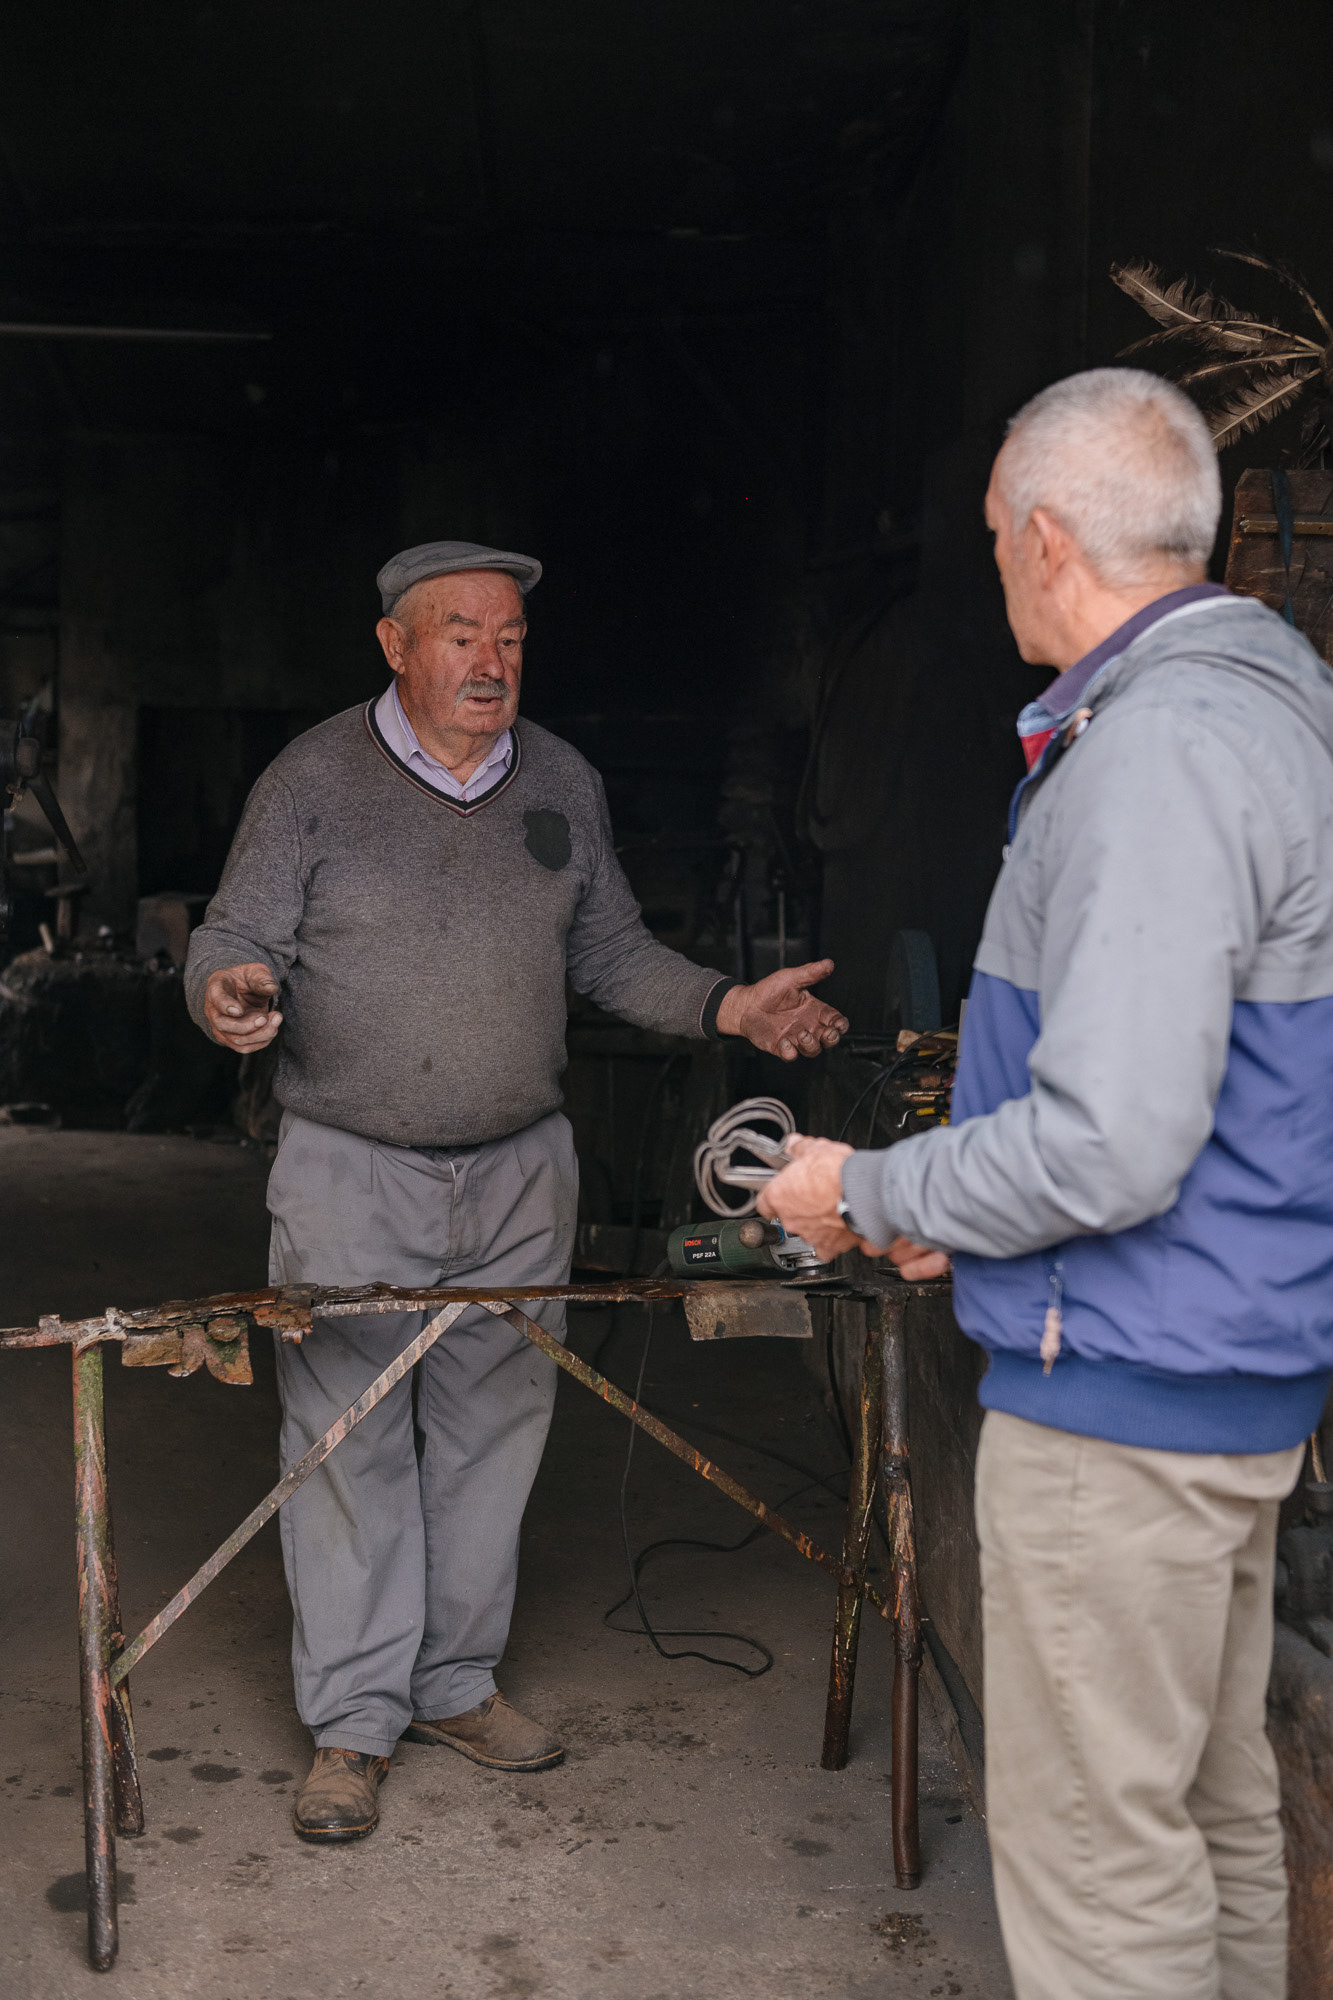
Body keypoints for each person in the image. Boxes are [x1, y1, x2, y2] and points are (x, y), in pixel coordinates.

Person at [758, 369, 1333, 2000]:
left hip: (1123, 1399)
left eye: (995, 530)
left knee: (1099, 1876)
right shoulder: (1277, 708)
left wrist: (875, 1186)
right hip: (1220, 1367)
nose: (994, 561)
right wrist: (973, 1220)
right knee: (1206, 1813)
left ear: (1048, 541)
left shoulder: (1156, 752)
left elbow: (1112, 1141)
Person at [185, 539, 847, 1843]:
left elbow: (609, 951)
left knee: (495, 1430)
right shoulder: (311, 781)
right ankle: (353, 1724)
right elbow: (235, 935)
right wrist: (226, 992)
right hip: (351, 1164)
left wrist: (730, 1004)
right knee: (347, 1437)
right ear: (395, 645)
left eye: (511, 637)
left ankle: (451, 1685)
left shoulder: (559, 780)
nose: (492, 661)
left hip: (519, 1167)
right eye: (461, 635)